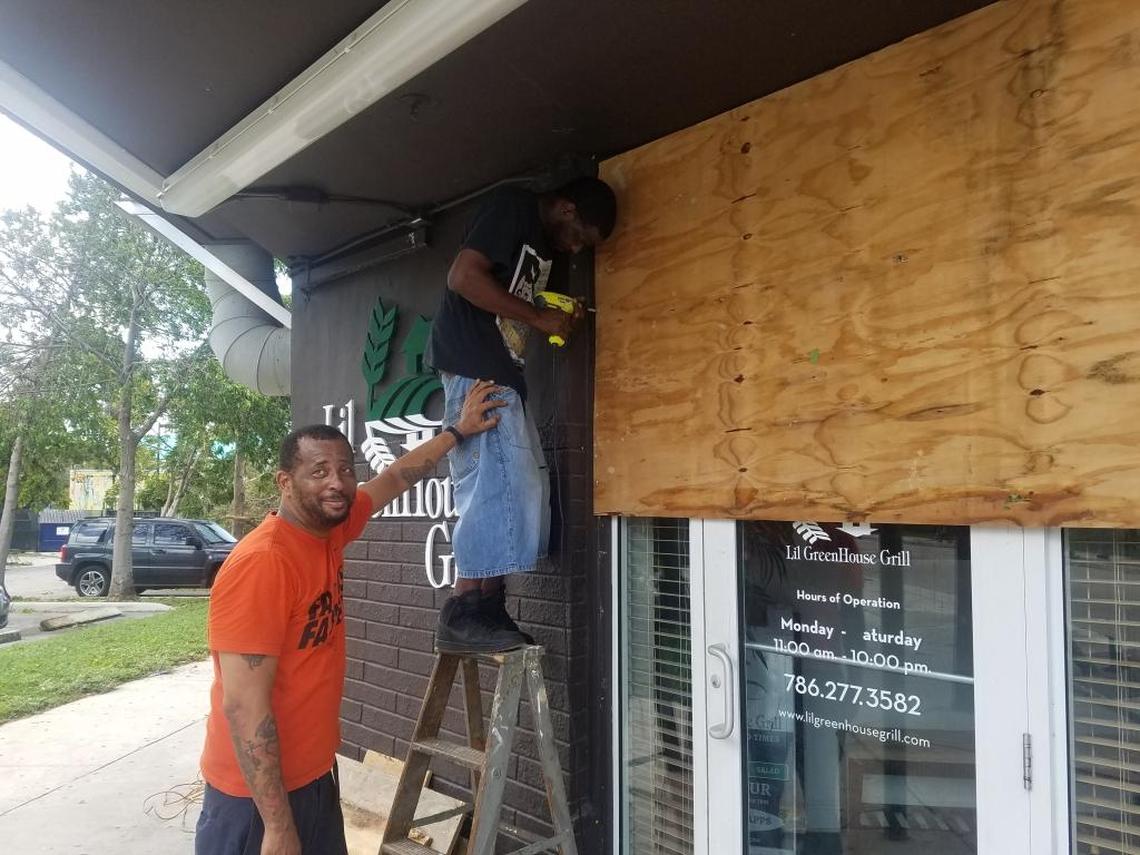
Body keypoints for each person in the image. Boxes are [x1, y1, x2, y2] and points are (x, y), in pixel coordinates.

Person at [194, 381, 505, 855]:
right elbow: (244, 708)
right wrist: (277, 826)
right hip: (254, 800)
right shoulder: (262, 564)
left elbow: (398, 477)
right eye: (318, 470)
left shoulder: (326, 532)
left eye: (344, 469)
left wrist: (458, 431)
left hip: (315, 775)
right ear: (284, 481)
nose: (336, 482)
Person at [426, 177, 617, 653]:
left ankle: (489, 604)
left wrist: (545, 308)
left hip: (500, 370)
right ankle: (464, 608)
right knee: (490, 482)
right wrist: (537, 318)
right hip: (475, 366)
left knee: (515, 484)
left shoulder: (542, 247)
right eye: (579, 238)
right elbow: (463, 277)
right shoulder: (514, 207)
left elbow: (504, 298)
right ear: (566, 207)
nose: (575, 248)